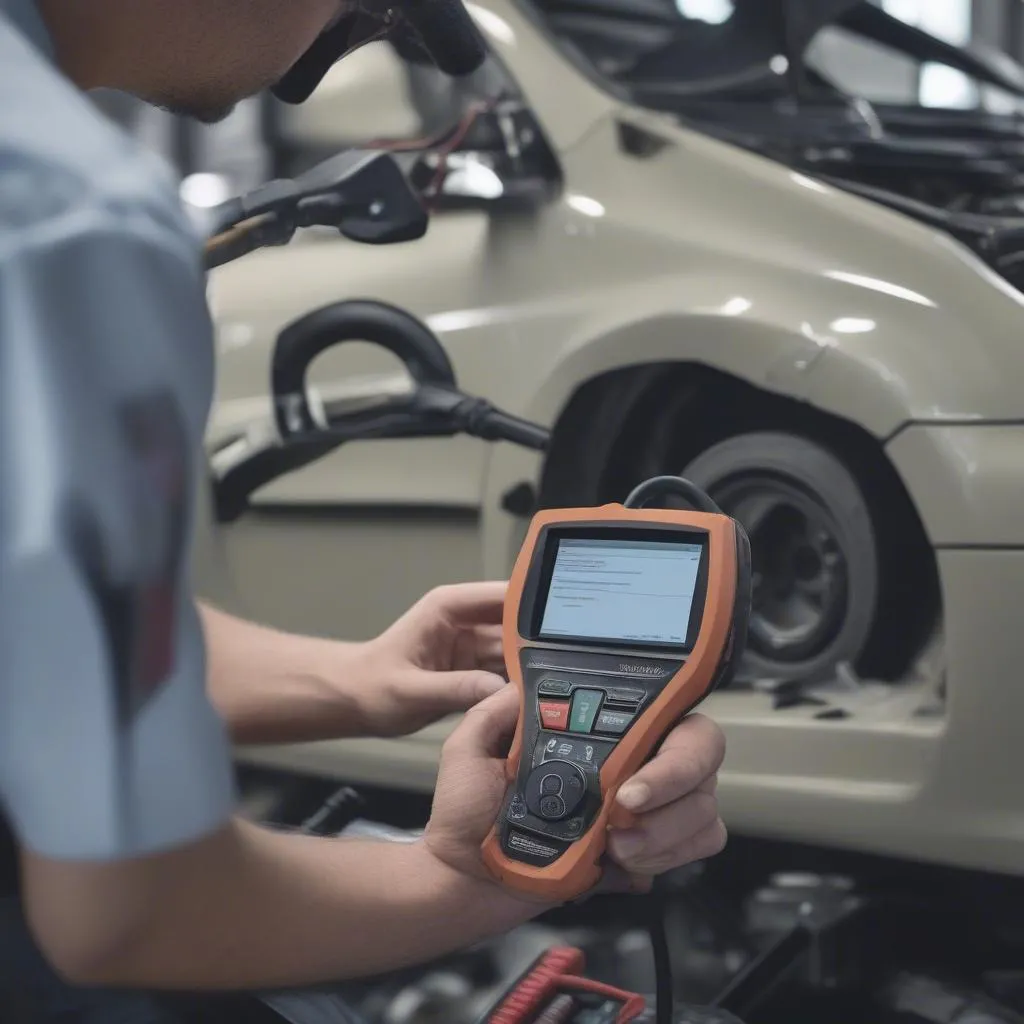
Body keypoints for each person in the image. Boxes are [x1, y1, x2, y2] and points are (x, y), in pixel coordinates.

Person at [0, 0, 728, 1018]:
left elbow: (31, 626)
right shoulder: (63, 215)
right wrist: (473, 878)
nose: (383, 27)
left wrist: (350, 679)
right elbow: (130, 911)